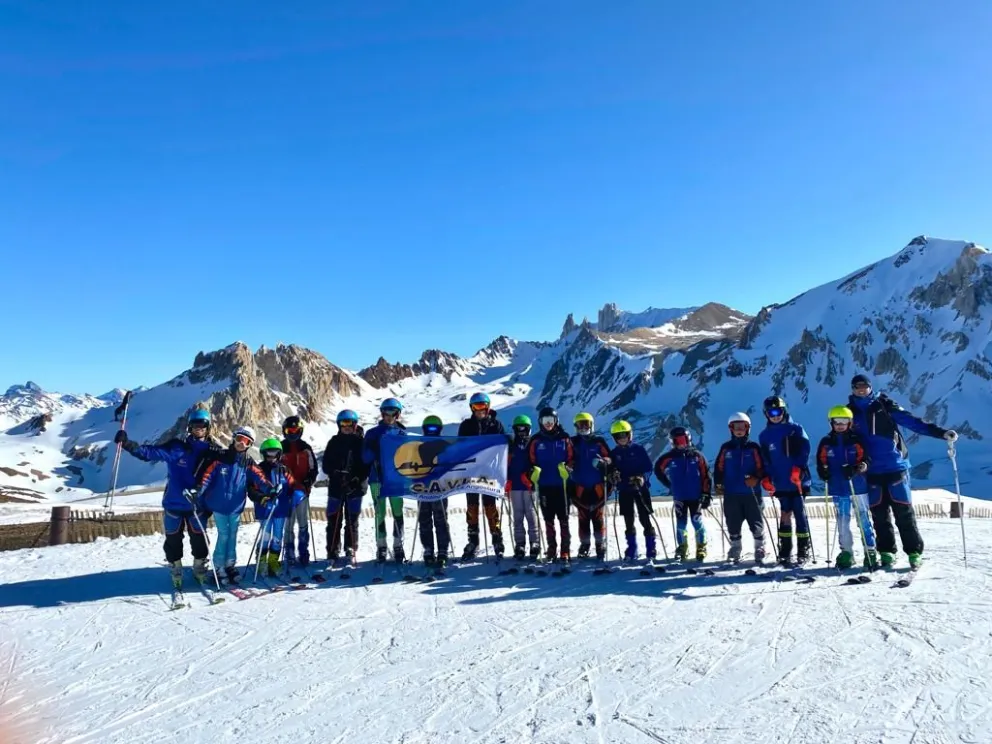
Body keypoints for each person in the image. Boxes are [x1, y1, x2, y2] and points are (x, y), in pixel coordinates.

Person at [847, 374, 957, 569]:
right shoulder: (849, 412)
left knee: (903, 511)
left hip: (895, 466)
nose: (861, 390)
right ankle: (886, 552)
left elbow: (913, 422)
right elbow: (842, 437)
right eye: (857, 387)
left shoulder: (884, 405)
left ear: (870, 387)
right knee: (879, 515)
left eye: (864, 386)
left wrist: (941, 433)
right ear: (853, 389)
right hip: (870, 470)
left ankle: (914, 552)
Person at [114, 406, 222, 587]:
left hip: (198, 505)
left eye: (202, 425)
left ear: (208, 427)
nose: (199, 428)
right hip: (174, 503)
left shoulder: (214, 451)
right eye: (195, 425)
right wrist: (128, 444)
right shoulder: (177, 448)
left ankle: (199, 567)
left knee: (199, 538)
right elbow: (150, 453)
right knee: (172, 538)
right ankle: (175, 567)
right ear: (189, 427)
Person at [196, 427, 272, 584]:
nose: (241, 444)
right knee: (224, 534)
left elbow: (260, 478)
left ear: (250, 445)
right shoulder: (221, 457)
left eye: (246, 442)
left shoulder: (248, 462)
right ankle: (219, 566)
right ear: (234, 438)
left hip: (235, 507)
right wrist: (197, 491)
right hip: (219, 505)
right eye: (239, 439)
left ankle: (230, 565)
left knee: (233, 535)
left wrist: (270, 489)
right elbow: (207, 476)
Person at [816, 405, 877, 569]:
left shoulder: (857, 440)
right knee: (842, 521)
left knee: (863, 519)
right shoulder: (826, 442)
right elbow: (821, 461)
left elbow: (866, 460)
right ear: (831, 423)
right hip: (838, 487)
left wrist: (857, 468)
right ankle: (846, 552)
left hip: (857, 487)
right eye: (837, 421)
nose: (840, 425)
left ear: (850, 422)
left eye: (844, 421)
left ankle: (870, 550)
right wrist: (823, 472)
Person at [758, 395, 813, 565]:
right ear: (766, 414)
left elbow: (805, 449)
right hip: (780, 481)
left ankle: (803, 548)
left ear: (784, 411)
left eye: (778, 411)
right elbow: (766, 459)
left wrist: (799, 468)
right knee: (785, 514)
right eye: (771, 413)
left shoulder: (795, 429)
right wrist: (767, 477)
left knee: (799, 513)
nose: (775, 416)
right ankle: (785, 548)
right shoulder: (764, 436)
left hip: (798, 480)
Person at [713, 412, 767, 564]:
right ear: (730, 429)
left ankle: (760, 547)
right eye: (735, 427)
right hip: (731, 493)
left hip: (751, 493)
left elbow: (762, 467)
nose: (739, 430)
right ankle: (735, 547)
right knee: (733, 523)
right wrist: (718, 484)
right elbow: (719, 468)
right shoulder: (726, 448)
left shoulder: (753, 447)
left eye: (742, 427)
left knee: (756, 522)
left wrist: (756, 478)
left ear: (748, 428)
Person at [458, 393, 506, 560]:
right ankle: (473, 541)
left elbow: (502, 448)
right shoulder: (466, 426)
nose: (480, 410)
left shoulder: (495, 425)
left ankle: (497, 539)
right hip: (471, 472)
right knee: (472, 507)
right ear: (472, 408)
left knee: (490, 506)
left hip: (489, 473)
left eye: (483, 406)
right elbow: (460, 447)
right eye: (476, 406)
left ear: (488, 407)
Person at [251, 438, 307, 577]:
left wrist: (298, 492)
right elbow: (252, 489)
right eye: (268, 454)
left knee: (277, 536)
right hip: (265, 509)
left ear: (279, 454)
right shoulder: (258, 470)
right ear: (263, 454)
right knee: (266, 536)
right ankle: (261, 560)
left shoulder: (284, 470)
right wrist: (262, 497)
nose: (272, 457)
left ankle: (273, 561)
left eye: (275, 454)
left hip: (281, 509)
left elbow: (292, 485)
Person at [654, 427, 710, 562]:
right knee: (681, 524)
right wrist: (669, 484)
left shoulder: (697, 456)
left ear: (688, 439)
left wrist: (706, 493)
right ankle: (682, 548)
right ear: (672, 442)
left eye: (683, 440)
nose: (681, 444)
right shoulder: (669, 457)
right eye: (677, 441)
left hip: (696, 497)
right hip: (679, 497)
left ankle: (701, 547)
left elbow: (706, 475)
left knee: (697, 522)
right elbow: (658, 469)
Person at [527, 407, 575, 565]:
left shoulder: (564, 438)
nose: (548, 423)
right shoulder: (536, 440)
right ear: (540, 422)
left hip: (562, 485)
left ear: (556, 421)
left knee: (563, 519)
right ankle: (552, 549)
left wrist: (568, 468)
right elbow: (530, 461)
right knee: (548, 519)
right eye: (545, 420)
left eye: (551, 420)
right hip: (544, 485)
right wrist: (532, 472)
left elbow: (572, 458)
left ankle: (565, 550)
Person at [362, 398, 407, 563]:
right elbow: (365, 458)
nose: (389, 416)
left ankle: (398, 544)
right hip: (377, 479)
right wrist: (372, 448)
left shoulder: (402, 434)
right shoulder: (372, 433)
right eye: (386, 413)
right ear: (382, 414)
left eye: (393, 413)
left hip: (396, 479)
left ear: (398, 415)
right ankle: (381, 546)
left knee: (397, 511)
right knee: (380, 512)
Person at [321, 410, 368, 566]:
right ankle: (332, 549)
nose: (346, 427)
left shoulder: (360, 442)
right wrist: (335, 473)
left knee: (352, 519)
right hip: (336, 486)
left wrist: (356, 479)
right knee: (333, 519)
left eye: (349, 424)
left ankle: (350, 547)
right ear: (339, 425)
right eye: (343, 424)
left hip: (355, 487)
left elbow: (366, 465)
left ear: (354, 425)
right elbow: (326, 464)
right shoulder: (334, 442)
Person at [607, 420, 657, 561]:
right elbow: (610, 470)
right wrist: (613, 476)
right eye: (618, 436)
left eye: (624, 435)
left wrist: (642, 477)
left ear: (630, 435)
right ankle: (632, 549)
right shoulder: (614, 453)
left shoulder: (638, 449)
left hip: (640, 489)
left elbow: (648, 467)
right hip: (624, 489)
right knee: (628, 520)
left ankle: (651, 547)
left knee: (644, 518)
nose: (622, 438)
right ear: (615, 438)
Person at [569, 412, 611, 560]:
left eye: (586, 424)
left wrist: (604, 461)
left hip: (597, 486)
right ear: (575, 427)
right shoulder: (572, 442)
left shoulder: (598, 441)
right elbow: (567, 456)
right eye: (580, 425)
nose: (583, 428)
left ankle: (600, 544)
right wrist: (569, 464)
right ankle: (585, 544)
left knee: (598, 517)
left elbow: (609, 458)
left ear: (591, 425)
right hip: (579, 486)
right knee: (583, 517)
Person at [280, 415, 318, 567]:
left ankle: (303, 550)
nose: (292, 433)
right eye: (289, 431)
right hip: (287, 492)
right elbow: (276, 468)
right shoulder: (281, 447)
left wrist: (309, 480)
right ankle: (289, 551)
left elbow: (313, 468)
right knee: (288, 523)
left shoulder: (305, 448)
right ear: (284, 431)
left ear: (301, 431)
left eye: (295, 430)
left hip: (302, 490)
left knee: (303, 522)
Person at [417, 415, 452, 570]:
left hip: (440, 488)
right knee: (424, 519)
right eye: (429, 429)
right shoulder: (418, 445)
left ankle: (443, 549)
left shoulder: (444, 445)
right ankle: (428, 549)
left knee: (441, 519)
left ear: (440, 429)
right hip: (423, 487)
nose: (432, 431)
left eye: (435, 429)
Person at [507, 415, 541, 561]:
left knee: (531, 514)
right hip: (514, 484)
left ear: (529, 429)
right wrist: (506, 479)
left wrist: (532, 474)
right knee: (518, 515)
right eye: (518, 429)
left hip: (529, 485)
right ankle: (520, 543)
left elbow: (538, 462)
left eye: (524, 429)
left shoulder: (532, 444)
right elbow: (505, 463)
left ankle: (535, 542)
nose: (521, 431)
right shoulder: (510, 445)